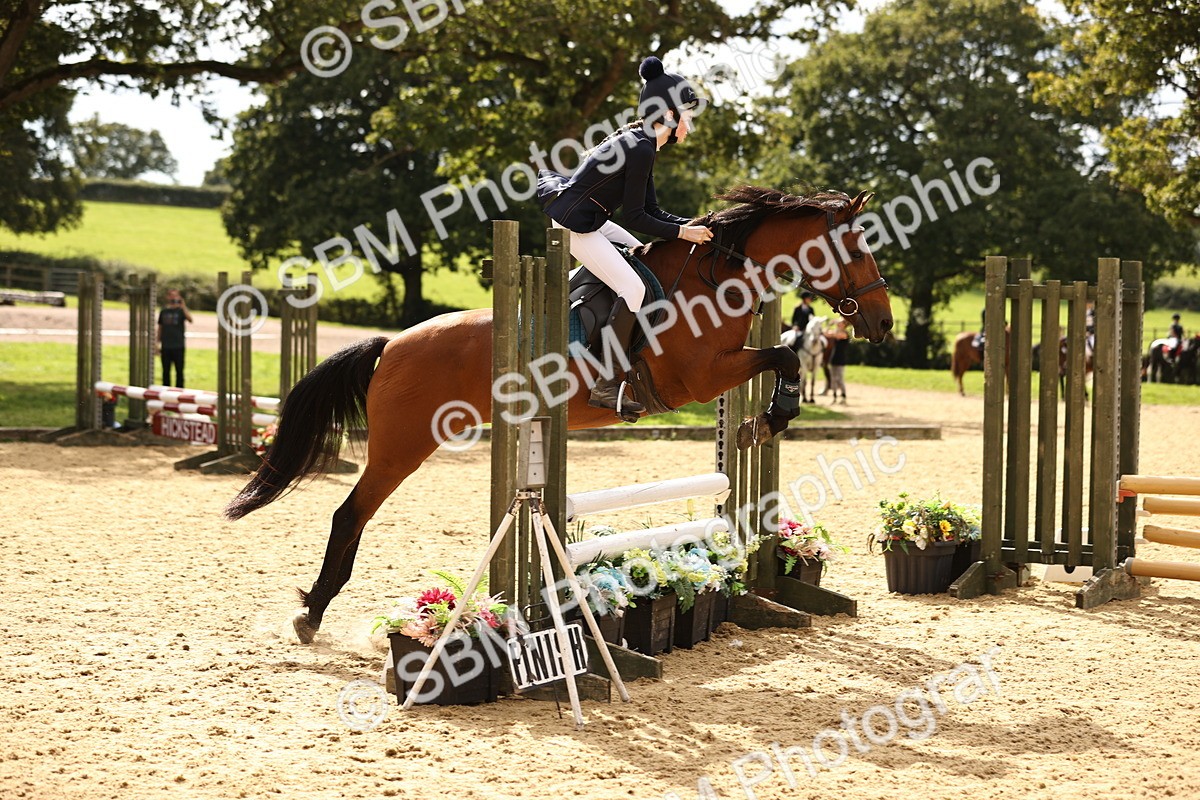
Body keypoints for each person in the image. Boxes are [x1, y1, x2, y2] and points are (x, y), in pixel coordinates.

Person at [536, 56, 713, 415]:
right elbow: (635, 215)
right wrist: (682, 234)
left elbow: (651, 212)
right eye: (687, 116)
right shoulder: (642, 147)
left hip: (592, 221)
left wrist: (689, 227)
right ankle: (605, 383)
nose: (689, 126)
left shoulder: (643, 143)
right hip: (575, 226)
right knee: (633, 289)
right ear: (668, 114)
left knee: (639, 249)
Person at [157, 288, 193, 388]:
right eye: (171, 295)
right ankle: (165, 389)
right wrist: (157, 343)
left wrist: (183, 306)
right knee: (165, 371)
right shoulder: (164, 311)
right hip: (166, 345)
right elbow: (160, 327)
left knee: (179, 371)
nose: (173, 298)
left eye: (175, 295)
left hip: (178, 345)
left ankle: (179, 390)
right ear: (167, 297)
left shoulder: (181, 311)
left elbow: (190, 319)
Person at [827, 318, 851, 403]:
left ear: (844, 325)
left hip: (841, 359)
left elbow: (837, 335)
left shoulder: (845, 334)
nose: (838, 325)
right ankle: (834, 397)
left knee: (840, 379)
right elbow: (825, 333)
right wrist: (829, 325)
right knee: (833, 379)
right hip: (834, 358)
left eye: (840, 323)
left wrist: (835, 325)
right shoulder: (836, 332)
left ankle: (843, 396)